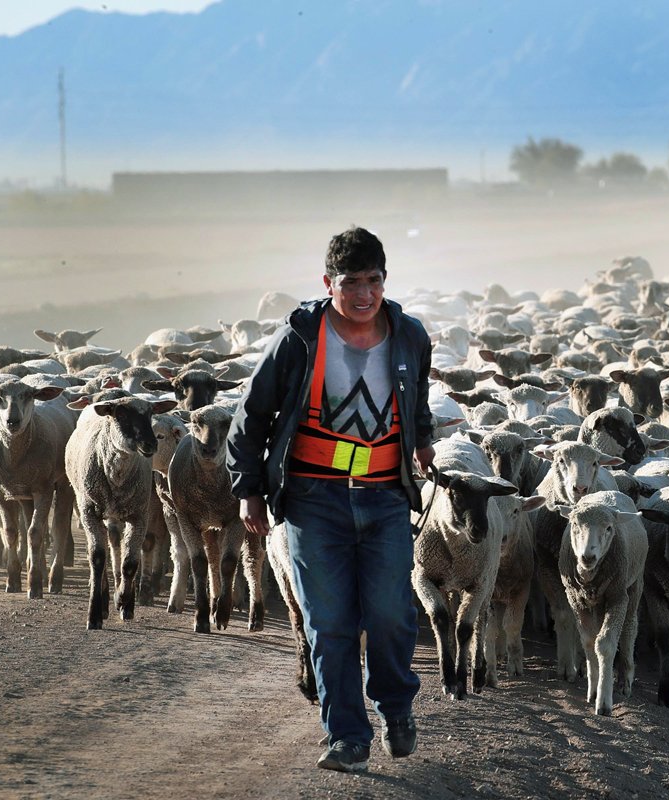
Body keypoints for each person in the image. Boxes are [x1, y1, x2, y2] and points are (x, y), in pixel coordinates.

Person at [226, 226, 434, 773]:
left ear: (384, 281)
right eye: (351, 283)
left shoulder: (409, 334)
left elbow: (416, 402)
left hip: (385, 492)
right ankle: (346, 734)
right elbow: (251, 414)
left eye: (373, 281)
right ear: (328, 283)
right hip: (314, 498)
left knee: (391, 612)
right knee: (329, 620)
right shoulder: (299, 337)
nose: (363, 294)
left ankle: (396, 707)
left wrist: (424, 441)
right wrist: (248, 488)